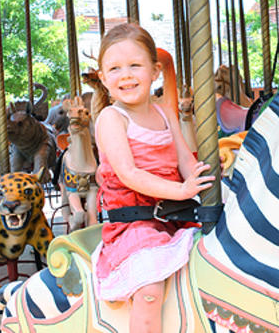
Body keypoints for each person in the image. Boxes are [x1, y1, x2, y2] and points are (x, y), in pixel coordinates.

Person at [93, 23, 214, 332]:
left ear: (155, 70)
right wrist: (183, 189)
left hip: (177, 215)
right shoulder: (111, 118)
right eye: (115, 68)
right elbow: (129, 174)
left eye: (135, 65)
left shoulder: (163, 113)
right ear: (103, 78)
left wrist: (205, 186)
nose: (126, 75)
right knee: (149, 290)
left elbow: (186, 159)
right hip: (134, 223)